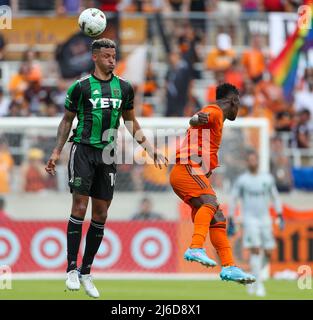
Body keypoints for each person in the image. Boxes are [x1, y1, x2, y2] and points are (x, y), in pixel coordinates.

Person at [45, 38, 167, 298]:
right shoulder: (80, 88)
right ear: (96, 58)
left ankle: (86, 272)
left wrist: (150, 147)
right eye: (108, 56)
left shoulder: (124, 87)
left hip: (108, 154)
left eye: (114, 56)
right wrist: (57, 151)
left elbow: (131, 121)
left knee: (100, 214)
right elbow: (67, 121)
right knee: (79, 207)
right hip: (83, 150)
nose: (112, 60)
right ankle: (70, 268)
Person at [170, 83, 255, 284]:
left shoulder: (217, 118)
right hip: (187, 168)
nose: (239, 110)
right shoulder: (214, 112)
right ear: (233, 101)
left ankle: (229, 267)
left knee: (217, 217)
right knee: (209, 202)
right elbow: (199, 118)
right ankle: (195, 247)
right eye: (239, 104)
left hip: (190, 172)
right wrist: (195, 119)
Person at [228, 151, 285, 297]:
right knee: (255, 250)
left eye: (255, 160)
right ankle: (259, 286)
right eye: (250, 160)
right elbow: (234, 199)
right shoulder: (243, 180)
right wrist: (231, 217)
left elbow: (275, 197)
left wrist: (279, 214)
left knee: (268, 251)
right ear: (247, 163)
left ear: (258, 162)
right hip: (250, 219)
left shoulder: (267, 178)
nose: (252, 162)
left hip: (265, 219)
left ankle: (253, 278)